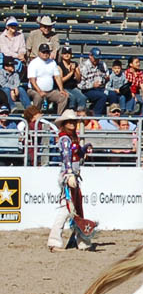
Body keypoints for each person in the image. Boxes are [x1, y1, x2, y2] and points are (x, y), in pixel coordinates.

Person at [47, 109, 94, 252]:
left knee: (75, 208)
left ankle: (81, 241)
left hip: (73, 174)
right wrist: (69, 174)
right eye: (70, 121)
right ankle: (55, 240)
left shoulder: (73, 138)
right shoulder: (65, 139)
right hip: (69, 175)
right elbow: (66, 157)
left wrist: (84, 149)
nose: (72, 124)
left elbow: (76, 154)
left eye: (74, 121)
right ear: (64, 123)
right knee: (67, 208)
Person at [27, 44, 69, 113]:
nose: (45, 54)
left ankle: (59, 118)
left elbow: (57, 77)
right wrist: (39, 91)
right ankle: (35, 117)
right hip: (34, 90)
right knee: (38, 97)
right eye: (43, 52)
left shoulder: (52, 62)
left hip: (50, 91)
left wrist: (61, 89)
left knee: (63, 97)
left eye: (47, 52)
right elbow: (32, 80)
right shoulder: (34, 63)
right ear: (39, 52)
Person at [78, 48, 115, 116]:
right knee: (102, 97)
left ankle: (113, 118)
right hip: (88, 90)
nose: (97, 60)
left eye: (98, 58)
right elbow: (80, 85)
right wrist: (92, 85)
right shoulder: (84, 66)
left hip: (102, 88)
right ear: (90, 56)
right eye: (95, 58)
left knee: (113, 95)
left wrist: (106, 79)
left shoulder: (102, 64)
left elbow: (105, 76)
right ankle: (96, 117)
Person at [57, 46, 87, 112]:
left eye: (68, 53)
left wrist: (76, 71)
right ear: (62, 55)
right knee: (72, 98)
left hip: (73, 87)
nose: (67, 55)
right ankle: (70, 114)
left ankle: (81, 114)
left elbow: (79, 79)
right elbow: (61, 80)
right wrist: (71, 72)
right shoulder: (59, 65)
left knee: (82, 98)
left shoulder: (74, 64)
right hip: (63, 87)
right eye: (65, 53)